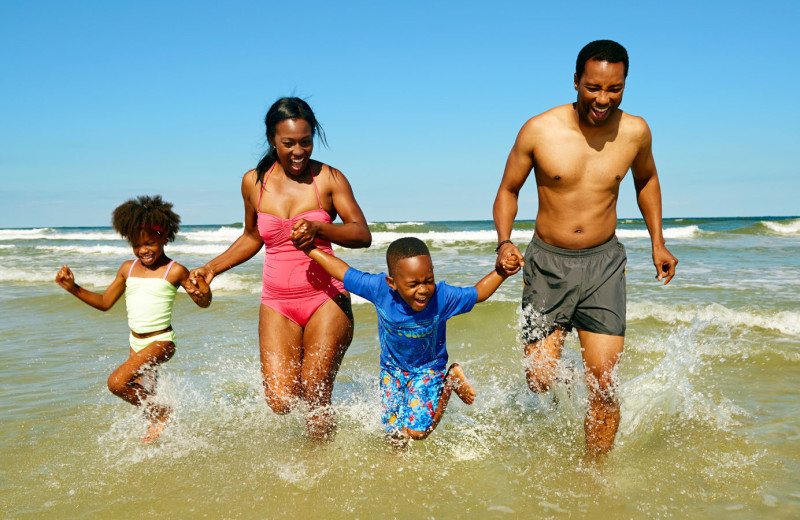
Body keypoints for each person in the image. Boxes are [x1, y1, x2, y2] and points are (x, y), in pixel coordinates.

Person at [492, 40, 678, 456]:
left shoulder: (635, 132)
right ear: (576, 81)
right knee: (539, 378)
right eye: (593, 87)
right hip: (547, 264)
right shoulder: (539, 130)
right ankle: (573, 376)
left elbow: (646, 180)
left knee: (606, 385)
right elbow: (507, 190)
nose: (603, 99)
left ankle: (595, 477)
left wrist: (658, 243)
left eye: (614, 89)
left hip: (604, 265)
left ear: (625, 86)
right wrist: (504, 242)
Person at [187, 97, 371, 438]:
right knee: (281, 400)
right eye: (289, 144)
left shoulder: (329, 179)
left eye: (305, 141)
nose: (298, 151)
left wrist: (321, 228)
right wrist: (211, 269)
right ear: (273, 139)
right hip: (277, 302)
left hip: (326, 299)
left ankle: (319, 472)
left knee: (316, 398)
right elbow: (251, 237)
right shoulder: (253, 182)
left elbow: (362, 234)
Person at [298, 236, 515, 443]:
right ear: (392, 282)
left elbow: (478, 293)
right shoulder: (379, 289)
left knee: (417, 432)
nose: (423, 290)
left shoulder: (442, 298)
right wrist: (311, 250)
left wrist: (502, 272)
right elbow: (344, 272)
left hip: (428, 370)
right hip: (391, 371)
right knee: (393, 432)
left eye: (428, 281)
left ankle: (451, 381)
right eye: (413, 285)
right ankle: (396, 466)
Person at [55, 195, 211, 443]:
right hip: (135, 342)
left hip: (161, 341)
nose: (143, 250)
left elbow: (203, 302)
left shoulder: (175, 271)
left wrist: (204, 290)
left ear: (165, 236)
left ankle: (162, 412)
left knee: (117, 383)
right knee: (145, 393)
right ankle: (164, 443)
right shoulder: (127, 268)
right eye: (136, 245)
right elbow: (106, 303)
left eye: (149, 242)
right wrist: (73, 288)